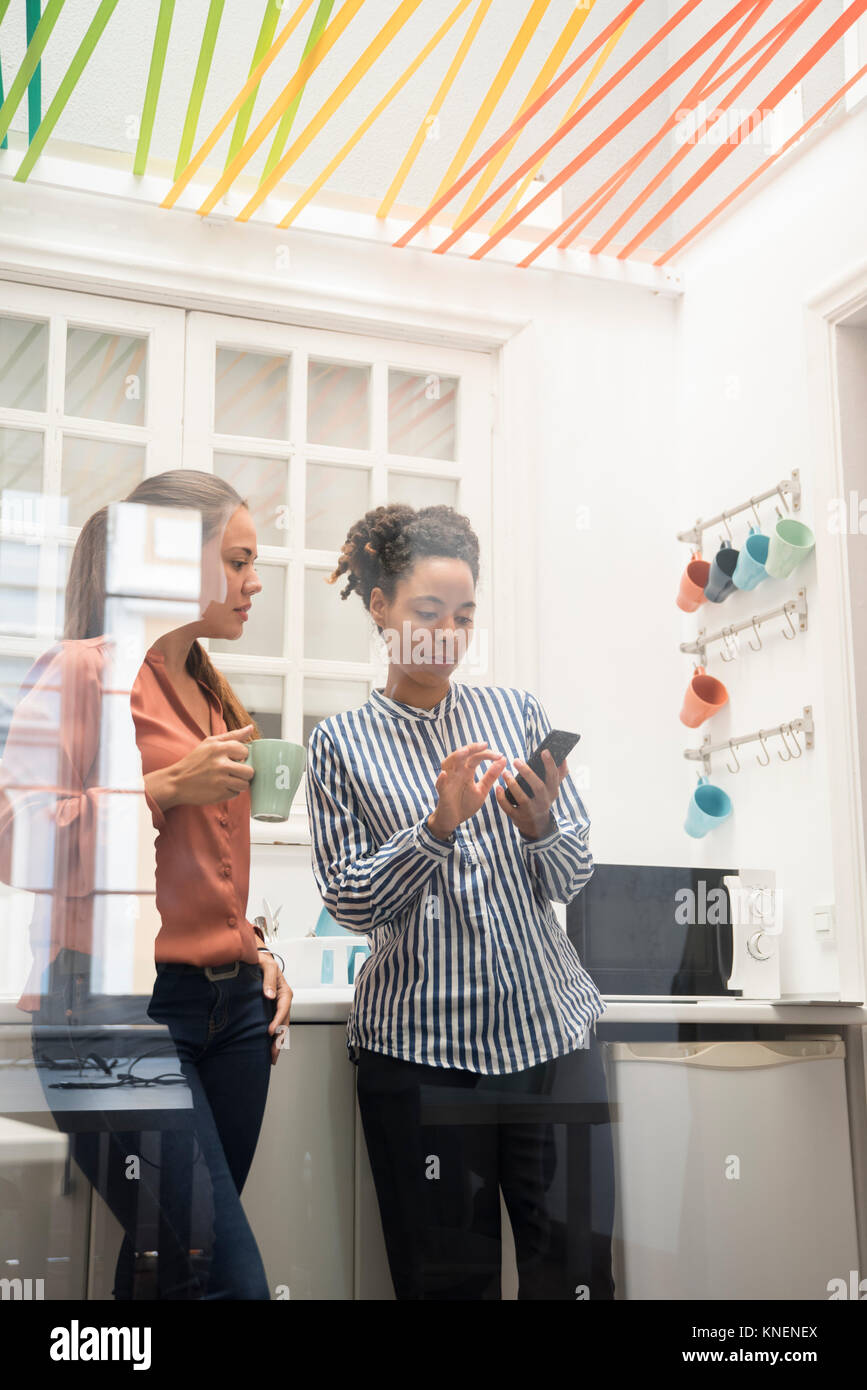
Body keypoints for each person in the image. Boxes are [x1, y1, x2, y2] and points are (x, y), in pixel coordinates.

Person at [305, 502, 615, 1300]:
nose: (447, 635)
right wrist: (436, 827)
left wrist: (542, 825)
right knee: (446, 1285)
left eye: (465, 616)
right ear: (379, 608)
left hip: (549, 1041)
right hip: (421, 1060)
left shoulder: (515, 714)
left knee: (577, 1274)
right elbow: (349, 900)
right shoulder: (339, 742)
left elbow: (571, 879)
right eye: (427, 613)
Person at [0, 469, 291, 1299]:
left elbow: (203, 873)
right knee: (226, 1282)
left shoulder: (209, 690)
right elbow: (13, 834)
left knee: (169, 1268)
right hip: (111, 1010)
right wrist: (159, 790)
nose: (254, 580)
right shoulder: (81, 671)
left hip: (230, 1019)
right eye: (236, 560)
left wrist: (254, 950)